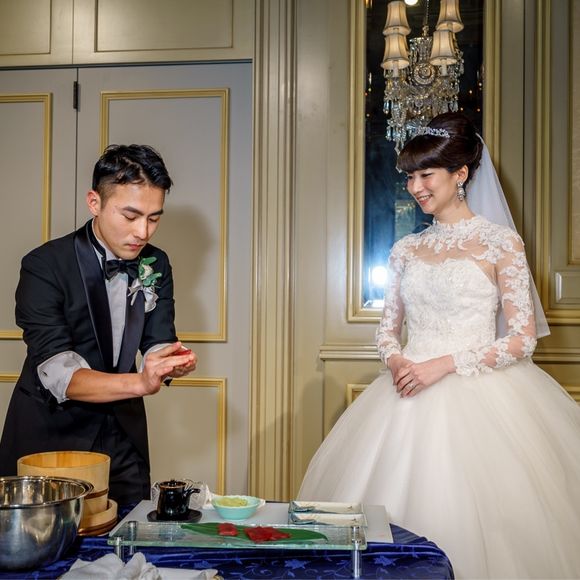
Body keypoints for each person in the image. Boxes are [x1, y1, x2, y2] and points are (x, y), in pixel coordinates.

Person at [299, 113, 580, 579]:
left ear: (461, 173)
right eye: (409, 176)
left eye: (425, 175)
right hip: (405, 390)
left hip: (481, 394)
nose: (415, 187)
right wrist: (396, 359)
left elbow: (522, 339)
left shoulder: (501, 244)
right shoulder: (406, 250)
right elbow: (387, 330)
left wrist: (444, 364)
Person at [0, 144, 197, 506]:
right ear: (95, 202)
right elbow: (60, 374)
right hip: (51, 438)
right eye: (131, 215)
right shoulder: (43, 266)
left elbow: (157, 338)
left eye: (154, 218)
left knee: (128, 531)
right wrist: (141, 382)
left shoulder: (156, 263)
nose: (143, 232)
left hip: (124, 435)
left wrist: (169, 360)